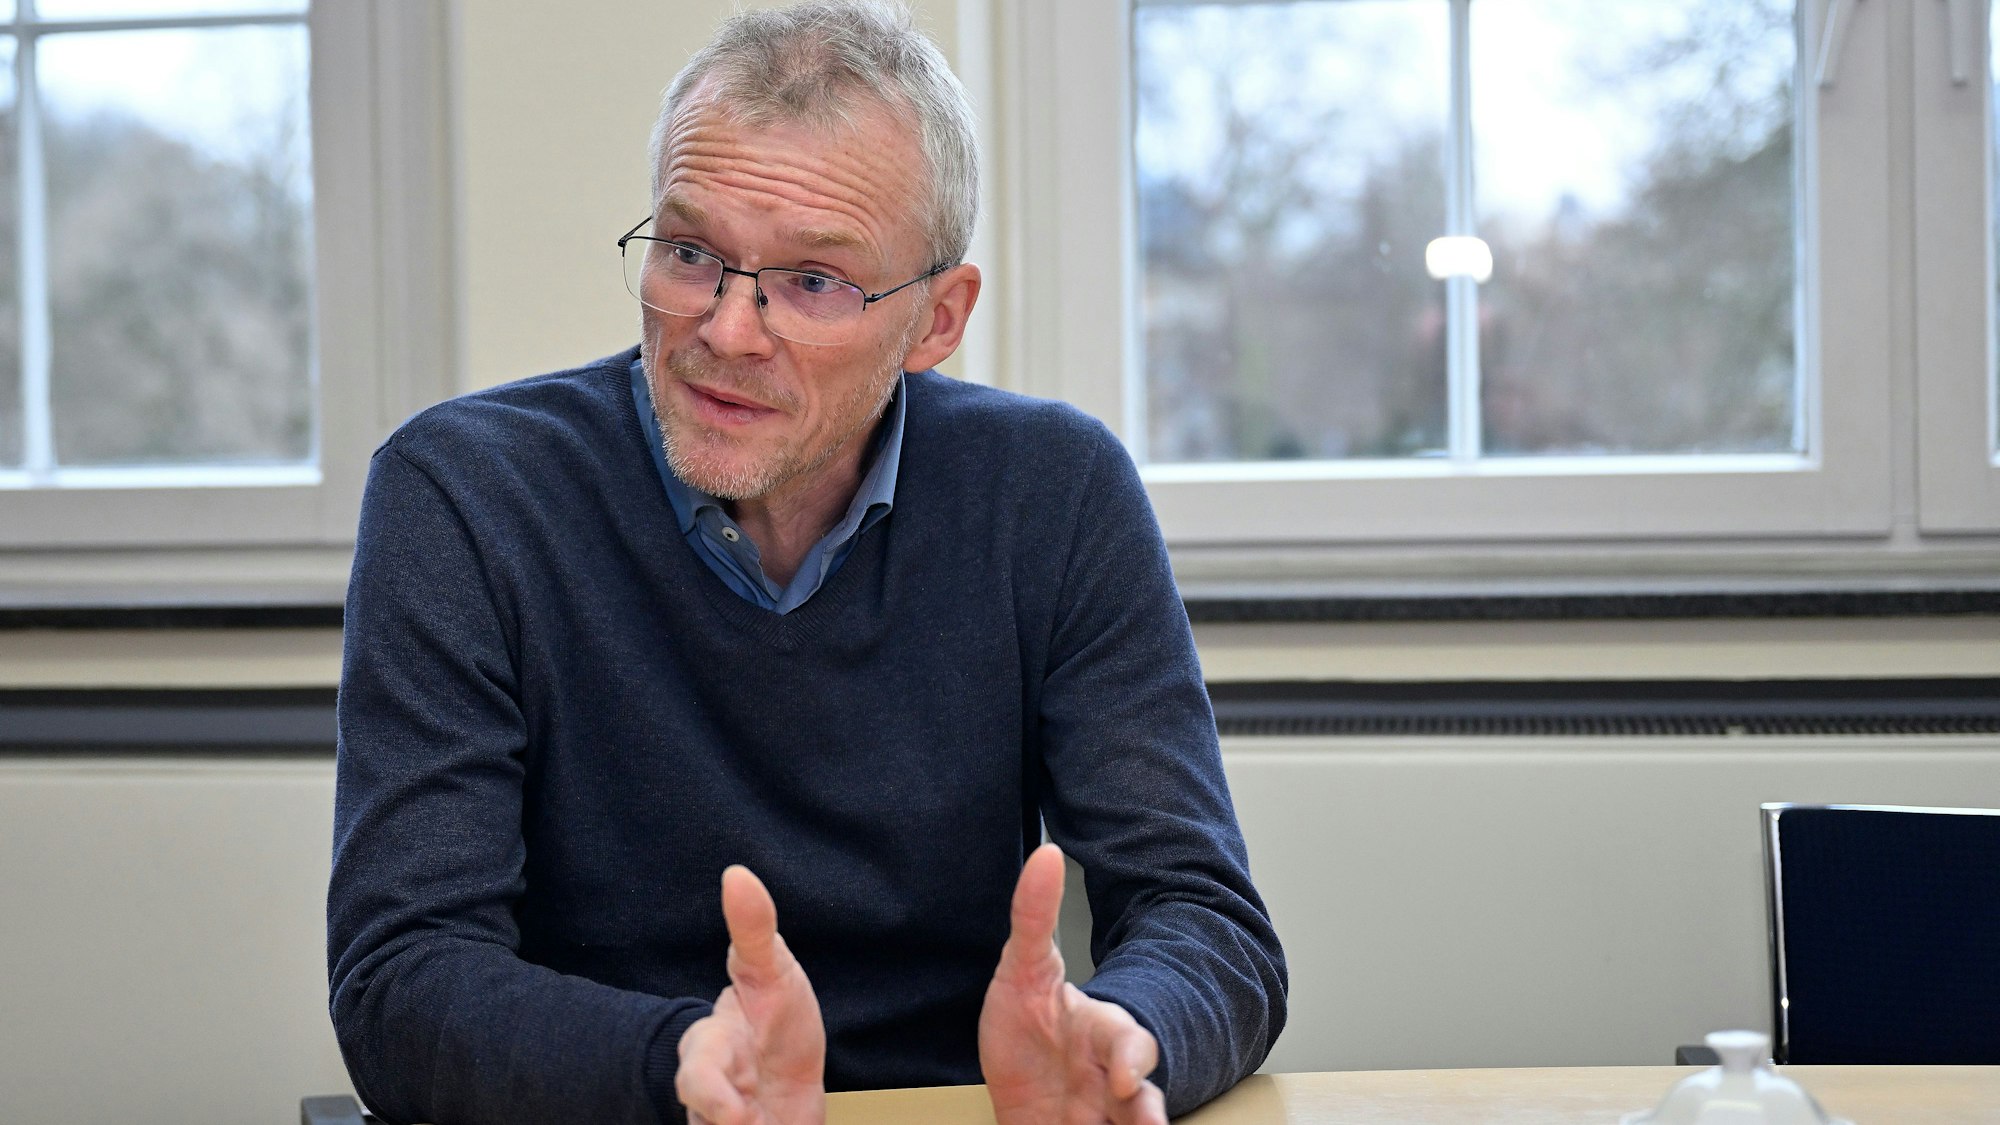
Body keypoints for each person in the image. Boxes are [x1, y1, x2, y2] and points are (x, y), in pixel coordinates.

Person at [326, 3, 1286, 1123]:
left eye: (813, 281)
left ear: (936, 319)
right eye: (691, 254)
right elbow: (402, 981)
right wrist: (680, 1063)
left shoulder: (1051, 494)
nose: (727, 331)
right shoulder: (465, 493)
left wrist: (1129, 1035)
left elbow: (1205, 919)